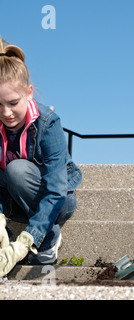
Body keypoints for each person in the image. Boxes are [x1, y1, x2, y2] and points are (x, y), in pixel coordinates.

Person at [0, 42, 82, 277]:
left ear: (29, 92)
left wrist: (27, 240)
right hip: (16, 204)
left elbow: (56, 191)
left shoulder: (48, 123)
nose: (6, 113)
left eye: (13, 103)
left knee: (16, 169)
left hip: (57, 200)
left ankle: (48, 237)